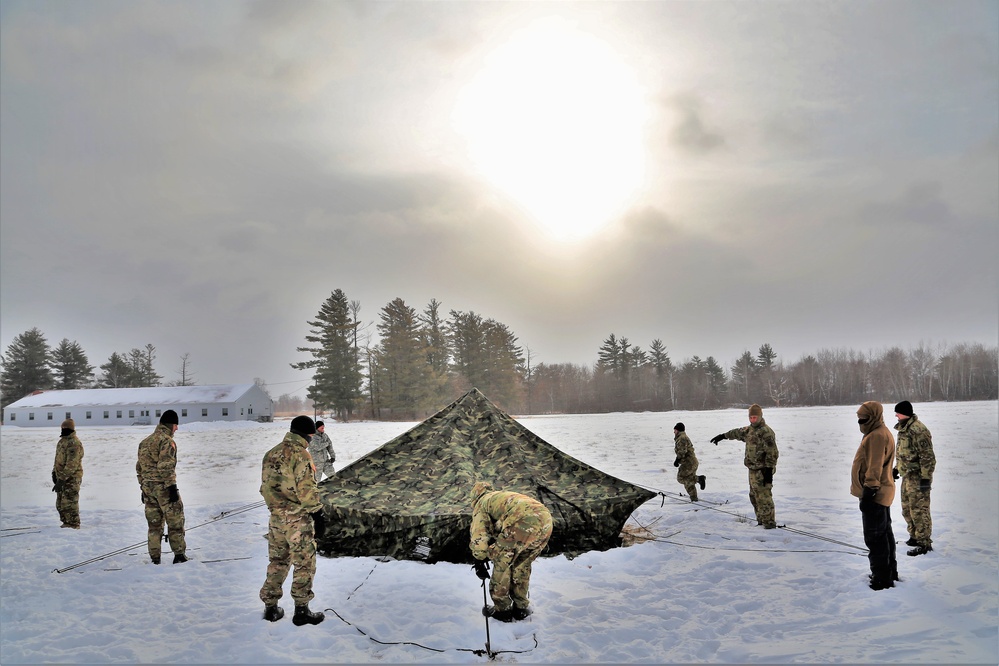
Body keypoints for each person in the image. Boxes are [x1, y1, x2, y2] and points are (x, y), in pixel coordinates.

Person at [259, 415, 326, 626]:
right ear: (309, 435)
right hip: (298, 520)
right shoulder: (302, 455)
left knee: (278, 561)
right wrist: (318, 514)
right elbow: (307, 491)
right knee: (304, 562)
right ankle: (302, 610)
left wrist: (277, 508)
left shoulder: (271, 453)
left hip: (276, 518)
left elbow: (265, 488)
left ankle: (271, 608)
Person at [470, 481, 553, 622]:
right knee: (522, 565)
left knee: (502, 564)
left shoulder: (482, 503)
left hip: (522, 520)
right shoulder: (500, 497)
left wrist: (479, 559)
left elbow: (479, 536)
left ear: (475, 496)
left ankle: (503, 610)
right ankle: (521, 608)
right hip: (546, 520)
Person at [852, 401, 898, 590]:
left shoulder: (877, 436)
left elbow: (874, 466)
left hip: (876, 494)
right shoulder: (879, 432)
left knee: (875, 538)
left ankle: (881, 578)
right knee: (884, 534)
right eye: (858, 418)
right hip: (882, 492)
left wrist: (869, 492)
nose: (860, 421)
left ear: (874, 416)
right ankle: (889, 572)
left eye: (864, 418)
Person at [710, 404, 779, 528]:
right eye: (751, 417)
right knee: (754, 497)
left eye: (755, 417)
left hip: (763, 470)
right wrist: (722, 436)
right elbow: (737, 433)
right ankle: (761, 521)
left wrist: (768, 471)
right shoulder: (749, 430)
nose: (752, 420)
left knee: (764, 497)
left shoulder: (766, 432)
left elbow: (772, 453)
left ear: (760, 416)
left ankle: (769, 524)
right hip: (752, 470)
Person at [136, 410, 188, 564]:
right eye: (176, 425)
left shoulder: (144, 442)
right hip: (163, 488)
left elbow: (139, 468)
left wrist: (143, 486)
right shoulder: (166, 441)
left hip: (148, 488)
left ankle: (155, 557)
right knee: (175, 521)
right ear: (171, 425)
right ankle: (179, 555)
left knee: (154, 525)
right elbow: (166, 467)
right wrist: (172, 487)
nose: (177, 429)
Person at [893, 400, 935, 557]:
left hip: (918, 478)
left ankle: (924, 543)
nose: (896, 415)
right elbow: (902, 453)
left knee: (919, 510)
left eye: (898, 412)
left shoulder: (918, 430)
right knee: (907, 509)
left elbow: (928, 457)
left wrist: (926, 479)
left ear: (905, 413)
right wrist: (897, 469)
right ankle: (914, 537)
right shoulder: (904, 429)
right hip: (907, 477)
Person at [52, 418, 84, 529]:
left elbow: (72, 464)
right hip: (61, 477)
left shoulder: (74, 443)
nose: (63, 430)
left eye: (66, 428)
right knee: (60, 503)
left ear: (71, 429)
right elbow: (57, 459)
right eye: (62, 428)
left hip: (71, 478)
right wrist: (54, 473)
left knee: (70, 502)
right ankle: (66, 522)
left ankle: (74, 523)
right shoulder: (62, 442)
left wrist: (62, 479)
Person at [673, 422, 706, 501]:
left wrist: (677, 460)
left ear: (678, 430)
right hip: (691, 462)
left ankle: (699, 479)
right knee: (688, 481)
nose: (674, 432)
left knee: (680, 478)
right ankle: (694, 499)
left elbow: (682, 451)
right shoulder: (681, 437)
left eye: (675, 430)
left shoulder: (682, 438)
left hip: (689, 463)